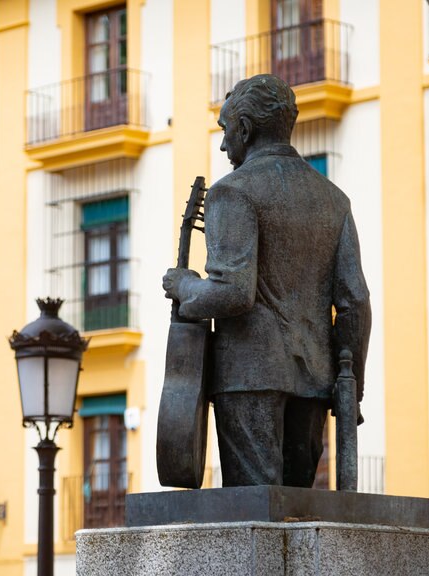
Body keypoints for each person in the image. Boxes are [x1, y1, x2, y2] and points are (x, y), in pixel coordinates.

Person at [162, 74, 371, 487]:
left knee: (254, 510)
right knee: (296, 507)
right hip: (316, 380)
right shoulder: (333, 199)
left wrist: (183, 285)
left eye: (225, 131)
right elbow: (355, 303)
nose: (223, 146)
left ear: (245, 127)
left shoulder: (233, 192)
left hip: (249, 376)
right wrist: (350, 388)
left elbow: (234, 291)